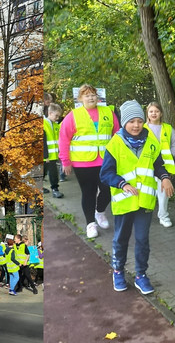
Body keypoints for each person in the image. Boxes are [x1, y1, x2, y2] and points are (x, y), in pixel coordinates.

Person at [100, 100, 174, 295]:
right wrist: (122, 184)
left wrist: (165, 177)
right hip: (124, 202)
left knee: (142, 239)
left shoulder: (151, 141)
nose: (136, 125)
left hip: (145, 202)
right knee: (121, 239)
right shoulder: (114, 144)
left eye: (139, 121)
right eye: (131, 121)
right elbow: (105, 173)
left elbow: (158, 165)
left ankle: (141, 275)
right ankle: (118, 271)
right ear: (124, 123)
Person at [58, 83, 120, 238]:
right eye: (87, 95)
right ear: (80, 98)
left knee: (107, 189)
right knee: (88, 192)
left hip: (106, 161)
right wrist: (65, 161)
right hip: (83, 163)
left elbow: (117, 135)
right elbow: (64, 139)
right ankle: (90, 224)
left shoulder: (108, 112)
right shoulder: (73, 116)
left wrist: (120, 157)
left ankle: (99, 212)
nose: (91, 97)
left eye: (93, 94)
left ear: (97, 97)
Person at [144, 101, 175, 228]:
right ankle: (144, 213)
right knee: (147, 191)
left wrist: (170, 154)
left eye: (156, 111)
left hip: (164, 166)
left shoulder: (168, 128)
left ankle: (163, 216)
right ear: (147, 114)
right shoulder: (142, 128)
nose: (154, 113)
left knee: (164, 193)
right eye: (151, 111)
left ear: (161, 113)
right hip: (147, 165)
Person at [44, 102, 65, 198]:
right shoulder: (44, 124)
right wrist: (45, 155)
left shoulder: (56, 126)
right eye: (56, 116)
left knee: (53, 173)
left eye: (58, 116)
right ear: (50, 113)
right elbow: (43, 141)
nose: (57, 118)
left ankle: (55, 189)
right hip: (47, 156)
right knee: (45, 172)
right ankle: (53, 189)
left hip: (52, 156)